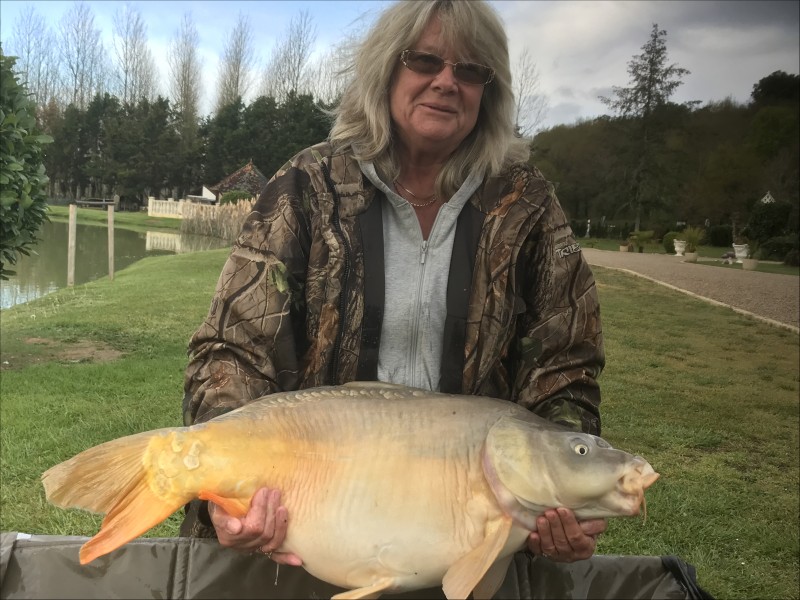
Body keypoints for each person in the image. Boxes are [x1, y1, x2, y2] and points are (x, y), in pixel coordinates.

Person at [180, 0, 607, 581]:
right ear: (385, 68)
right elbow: (231, 348)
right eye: (424, 60)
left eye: (470, 70)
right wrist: (225, 490)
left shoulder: (527, 204)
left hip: (467, 528)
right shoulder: (307, 185)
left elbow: (567, 363)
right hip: (313, 515)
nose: (447, 82)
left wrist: (564, 488)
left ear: (490, 90)